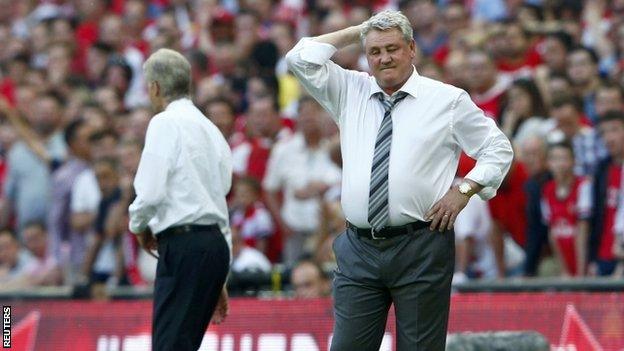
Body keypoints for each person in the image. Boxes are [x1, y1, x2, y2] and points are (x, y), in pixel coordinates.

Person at [286, 10, 513, 350]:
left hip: (421, 243)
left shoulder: (447, 100)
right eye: (374, 51)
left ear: (411, 49)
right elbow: (300, 57)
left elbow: (498, 148)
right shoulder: (350, 88)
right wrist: (360, 30)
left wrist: (465, 189)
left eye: (391, 48)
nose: (384, 58)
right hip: (358, 247)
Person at [128, 48, 232, 351]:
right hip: (213, 247)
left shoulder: (164, 123)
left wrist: (138, 225)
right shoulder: (212, 130)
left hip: (184, 245)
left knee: (169, 345)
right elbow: (219, 201)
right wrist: (219, 275)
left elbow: (149, 192)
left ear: (155, 87)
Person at [541, 141, 589, 277]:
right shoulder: (547, 190)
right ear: (548, 163)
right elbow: (552, 232)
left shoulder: (583, 186)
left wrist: (581, 274)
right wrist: (564, 270)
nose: (559, 164)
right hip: (563, 256)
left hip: (583, 259)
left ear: (573, 161)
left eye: (564, 158)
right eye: (554, 159)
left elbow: (583, 230)